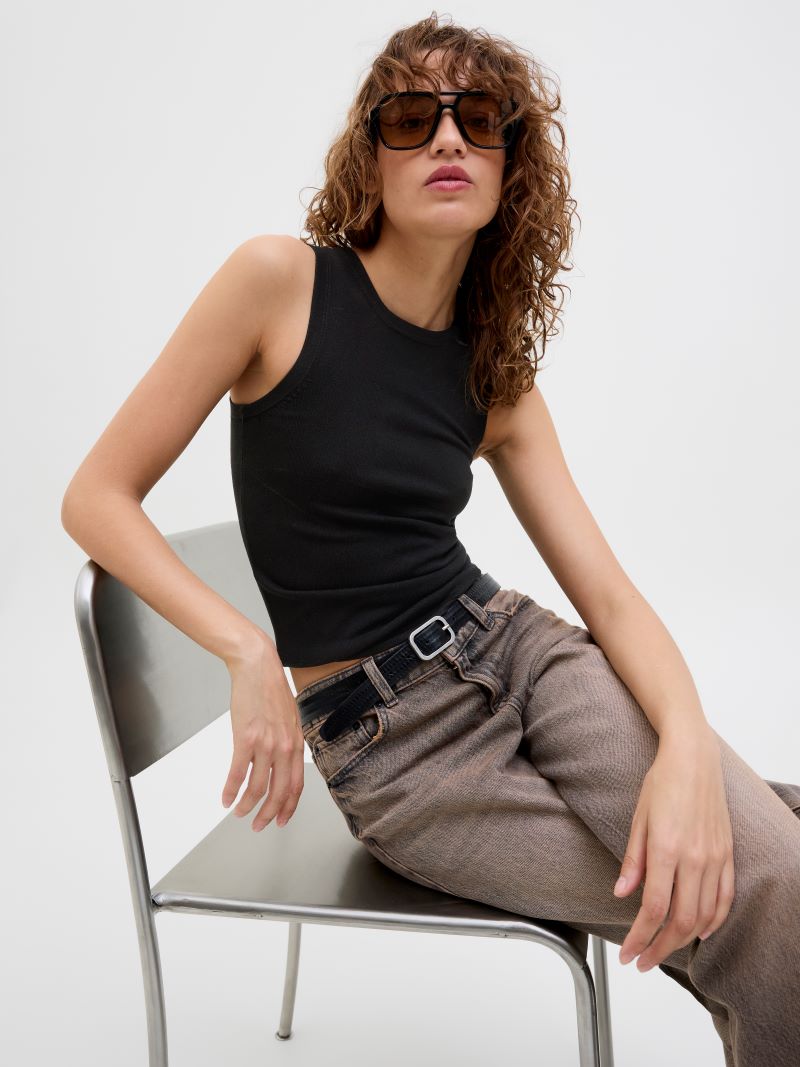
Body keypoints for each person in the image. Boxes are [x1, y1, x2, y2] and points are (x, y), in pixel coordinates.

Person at [61, 12, 799, 1065]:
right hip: (400, 753)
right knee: (750, 893)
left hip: (523, 652)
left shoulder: (493, 373)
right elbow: (95, 496)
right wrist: (245, 647)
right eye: (412, 117)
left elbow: (610, 599)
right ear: (371, 157)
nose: (447, 137)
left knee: (764, 866)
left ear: (509, 166)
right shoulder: (277, 284)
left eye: (477, 118)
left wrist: (684, 740)